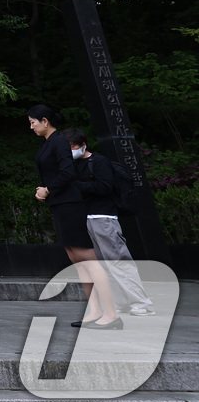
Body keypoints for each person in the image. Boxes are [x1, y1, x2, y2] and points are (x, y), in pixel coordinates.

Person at [30, 104, 113, 328]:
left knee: (87, 258)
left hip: (70, 204)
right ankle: (94, 310)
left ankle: (111, 313)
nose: (32, 127)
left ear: (45, 121)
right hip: (60, 203)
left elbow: (67, 173)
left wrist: (48, 189)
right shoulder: (49, 143)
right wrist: (45, 190)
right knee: (76, 260)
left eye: (33, 122)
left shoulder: (58, 142)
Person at [65, 127, 150, 321]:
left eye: (73, 146)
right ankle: (122, 303)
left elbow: (105, 187)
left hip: (104, 217)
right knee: (103, 265)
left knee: (118, 260)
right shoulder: (73, 165)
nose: (70, 150)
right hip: (86, 219)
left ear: (83, 145)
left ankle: (141, 303)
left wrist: (76, 187)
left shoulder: (99, 162)